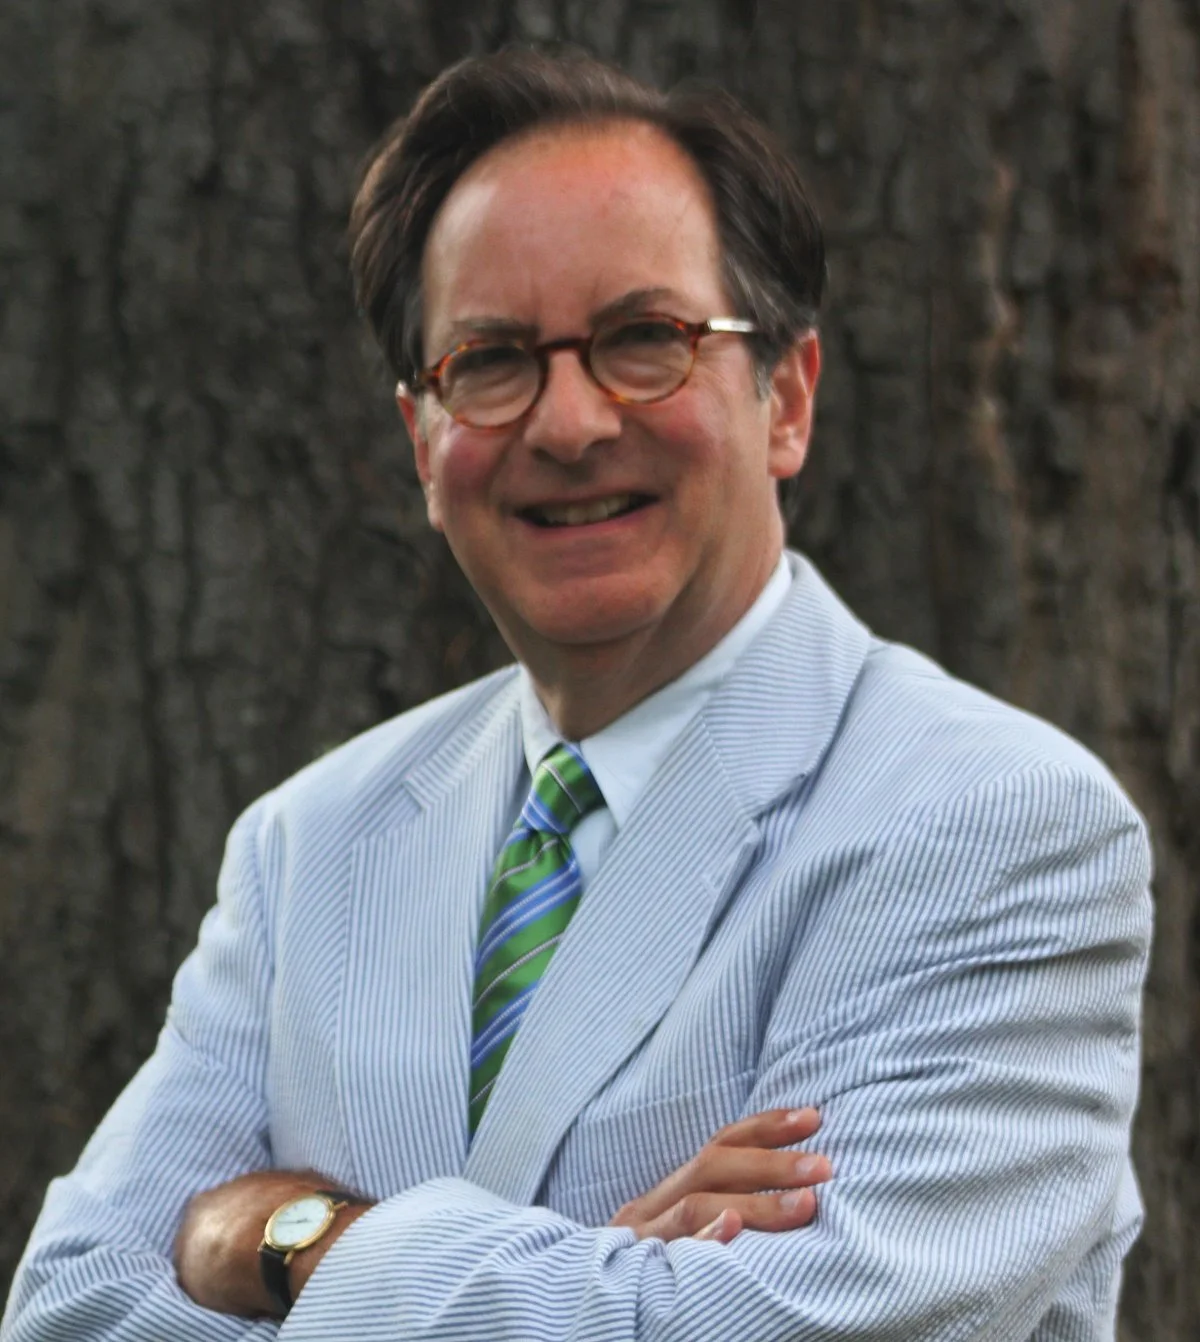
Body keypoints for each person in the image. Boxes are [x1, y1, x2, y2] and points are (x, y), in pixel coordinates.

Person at [2, 47, 1152, 1342]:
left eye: (644, 340)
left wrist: (288, 1241)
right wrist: (612, 1272)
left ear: (786, 398)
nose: (569, 423)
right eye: (492, 359)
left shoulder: (997, 826)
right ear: (423, 442)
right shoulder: (307, 847)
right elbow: (70, 1308)